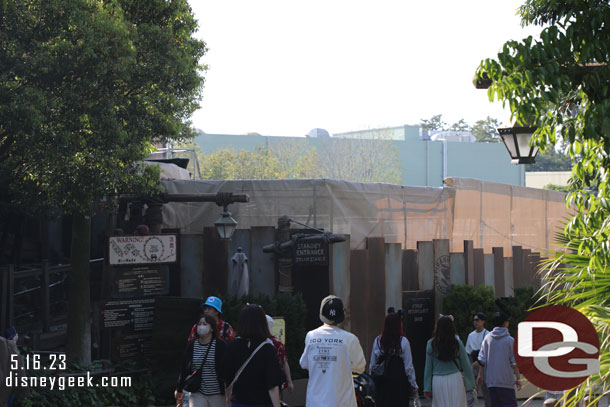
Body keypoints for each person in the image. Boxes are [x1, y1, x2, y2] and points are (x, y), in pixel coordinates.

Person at [299, 295, 366, 407]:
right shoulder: (350, 339)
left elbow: (304, 363)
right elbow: (360, 367)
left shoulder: (311, 336)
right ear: (341, 315)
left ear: (321, 313)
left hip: (315, 402)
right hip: (342, 402)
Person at [221, 304, 283, 407]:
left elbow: (226, 378)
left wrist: (228, 401)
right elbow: (272, 384)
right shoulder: (267, 348)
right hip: (263, 403)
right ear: (263, 323)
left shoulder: (232, 346)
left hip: (239, 402)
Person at [175, 314, 227, 407]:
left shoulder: (220, 346)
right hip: (197, 392)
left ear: (212, 328)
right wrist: (179, 389)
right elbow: (184, 368)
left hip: (217, 393)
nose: (201, 326)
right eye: (199, 324)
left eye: (205, 324)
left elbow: (227, 369)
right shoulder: (192, 346)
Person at [424, 315, 475, 407]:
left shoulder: (431, 344)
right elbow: (466, 365)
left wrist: (427, 387)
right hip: (455, 378)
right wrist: (470, 384)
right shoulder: (457, 343)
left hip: (438, 380)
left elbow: (428, 368)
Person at [369, 312, 418, 407]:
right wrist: (414, 384)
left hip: (382, 382)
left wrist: (372, 380)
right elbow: (408, 367)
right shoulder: (403, 342)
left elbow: (373, 363)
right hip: (399, 382)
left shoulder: (378, 341)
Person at [477, 312, 522, 407]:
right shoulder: (510, 341)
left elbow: (481, 360)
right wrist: (518, 378)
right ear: (506, 323)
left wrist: (480, 375)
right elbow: (514, 363)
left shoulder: (487, 339)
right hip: (506, 382)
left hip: (491, 382)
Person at [465, 312, 490, 407]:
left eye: (477, 320)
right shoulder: (470, 335)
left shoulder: (488, 334)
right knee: (472, 391)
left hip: (484, 365)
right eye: (474, 320)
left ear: (483, 321)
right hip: (473, 365)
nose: (475, 322)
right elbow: (468, 352)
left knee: (487, 392)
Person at [265, 315, 294, 392]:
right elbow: (284, 362)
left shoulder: (276, 343)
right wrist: (289, 381)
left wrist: (290, 381)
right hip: (276, 380)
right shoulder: (277, 343)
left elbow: (284, 362)